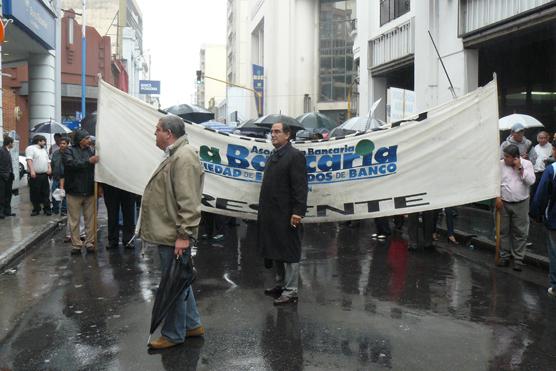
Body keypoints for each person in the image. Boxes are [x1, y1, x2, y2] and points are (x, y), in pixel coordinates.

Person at [141, 115, 204, 350]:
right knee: (180, 280)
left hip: (173, 235)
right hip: (170, 232)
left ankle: (173, 334)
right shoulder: (176, 154)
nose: (154, 134)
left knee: (172, 286)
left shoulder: (184, 156)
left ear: (169, 133)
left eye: (157, 130)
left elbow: (189, 201)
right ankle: (192, 324)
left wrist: (183, 235)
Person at [258, 121, 308, 305]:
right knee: (276, 250)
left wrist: (297, 212)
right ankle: (281, 284)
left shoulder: (295, 156)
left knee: (289, 253)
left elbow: (300, 187)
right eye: (272, 132)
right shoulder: (274, 155)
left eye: (277, 132)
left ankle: (291, 290)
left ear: (288, 135)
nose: (273, 135)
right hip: (272, 213)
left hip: (287, 213)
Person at [495, 144, 535, 271]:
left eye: (507, 157)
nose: (504, 158)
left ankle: (518, 259)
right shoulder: (500, 165)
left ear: (515, 158)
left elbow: (531, 181)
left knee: (520, 232)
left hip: (521, 203)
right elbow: (494, 182)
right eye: (504, 156)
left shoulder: (527, 164)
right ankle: (505, 256)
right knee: (502, 231)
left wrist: (520, 169)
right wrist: (497, 197)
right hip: (504, 202)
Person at [63, 129, 98, 255]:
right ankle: (76, 245)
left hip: (89, 190)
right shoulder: (69, 151)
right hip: (74, 191)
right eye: (87, 138)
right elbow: (70, 164)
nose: (90, 140)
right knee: (74, 220)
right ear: (80, 140)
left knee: (90, 219)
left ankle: (89, 242)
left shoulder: (91, 151)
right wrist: (88, 162)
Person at [531, 140, 556, 297]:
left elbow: (540, 197)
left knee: (554, 252)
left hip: (554, 219)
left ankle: (554, 285)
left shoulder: (551, 170)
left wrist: (536, 215)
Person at [100, 183, 137, 249]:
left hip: (128, 183)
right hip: (111, 183)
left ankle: (128, 239)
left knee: (129, 213)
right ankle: (113, 240)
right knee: (112, 214)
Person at [25, 135, 52, 216]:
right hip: (35, 175)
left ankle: (47, 209)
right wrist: (32, 171)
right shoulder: (31, 148)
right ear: (39, 141)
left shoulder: (43, 150)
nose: (45, 143)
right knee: (35, 193)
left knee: (45, 193)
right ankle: (36, 209)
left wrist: (49, 168)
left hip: (44, 175)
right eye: (44, 141)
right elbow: (29, 160)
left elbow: (47, 160)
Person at [529, 131, 552, 198]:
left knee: (544, 192)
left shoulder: (551, 147)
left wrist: (548, 161)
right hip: (535, 172)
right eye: (540, 138)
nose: (542, 140)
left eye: (544, 138)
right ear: (537, 139)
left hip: (545, 172)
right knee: (534, 191)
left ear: (547, 138)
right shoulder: (535, 147)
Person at [50, 136, 69, 216]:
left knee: (65, 194)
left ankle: (64, 210)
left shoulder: (69, 153)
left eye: (64, 143)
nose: (62, 145)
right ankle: (55, 209)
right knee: (54, 193)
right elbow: (52, 164)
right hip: (56, 177)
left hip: (66, 178)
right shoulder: (55, 153)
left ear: (67, 144)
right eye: (61, 143)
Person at [0, 135, 15, 218]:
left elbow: (9, 164)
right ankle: (1, 212)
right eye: (12, 143)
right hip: (2, 177)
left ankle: (7, 211)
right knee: (1, 195)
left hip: (9, 176)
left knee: (8, 194)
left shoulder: (7, 151)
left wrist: (11, 173)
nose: (13, 144)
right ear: (9, 143)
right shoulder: (1, 150)